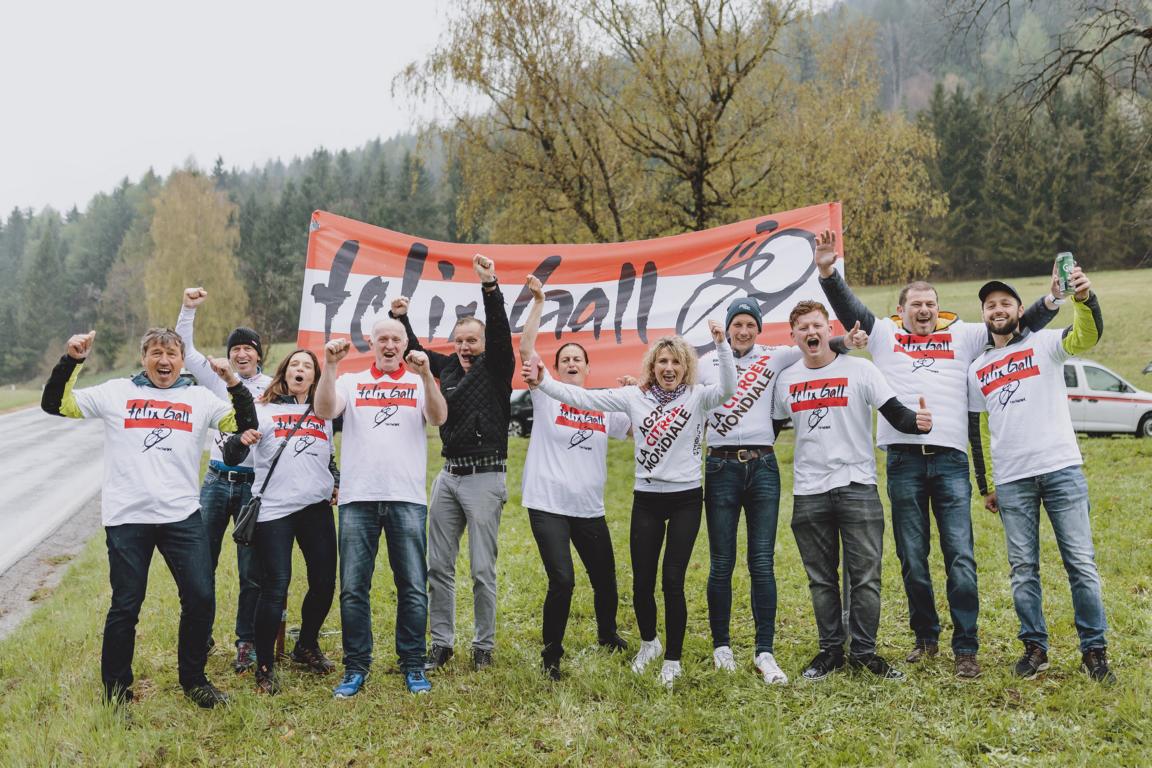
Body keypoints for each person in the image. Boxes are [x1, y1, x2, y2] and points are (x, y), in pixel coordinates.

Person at [813, 231, 1060, 679]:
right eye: (915, 305)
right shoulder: (884, 334)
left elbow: (1015, 325)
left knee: (960, 556)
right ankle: (925, 638)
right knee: (912, 557)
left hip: (949, 462)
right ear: (901, 310)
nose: (924, 310)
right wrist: (829, 273)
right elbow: (850, 312)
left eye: (930, 303)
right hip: (903, 461)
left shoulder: (964, 336)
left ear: (938, 307)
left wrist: (1051, 300)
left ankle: (965, 647)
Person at [41, 328, 257, 708]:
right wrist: (72, 360)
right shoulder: (116, 392)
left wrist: (232, 382)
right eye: (156, 353)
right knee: (127, 603)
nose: (164, 361)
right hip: (128, 516)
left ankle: (193, 680)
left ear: (181, 359)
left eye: (172, 354)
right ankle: (116, 691)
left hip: (181, 515)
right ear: (144, 357)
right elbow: (56, 404)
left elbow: (242, 423)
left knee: (201, 597)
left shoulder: (199, 397)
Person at [525, 320, 737, 688]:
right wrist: (544, 381)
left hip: (686, 497)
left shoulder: (698, 396)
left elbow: (729, 388)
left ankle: (673, 659)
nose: (669, 369)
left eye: (676, 362)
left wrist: (722, 346)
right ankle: (649, 644)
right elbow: (583, 399)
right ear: (652, 367)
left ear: (686, 367)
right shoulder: (633, 397)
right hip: (647, 498)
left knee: (672, 580)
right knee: (641, 582)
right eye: (662, 363)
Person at [697, 297, 865, 686]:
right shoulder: (706, 362)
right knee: (722, 562)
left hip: (763, 466)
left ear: (759, 329)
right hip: (720, 465)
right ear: (728, 326)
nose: (742, 331)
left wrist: (848, 341)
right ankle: (721, 646)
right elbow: (674, 386)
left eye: (750, 325)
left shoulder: (774, 358)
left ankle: (764, 649)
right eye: (737, 324)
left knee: (762, 561)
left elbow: (821, 344)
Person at [967, 266, 1114, 682]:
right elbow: (975, 428)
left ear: (1019, 310)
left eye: (1006, 303)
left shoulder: (1046, 343)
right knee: (1022, 569)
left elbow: (1087, 336)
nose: (998, 309)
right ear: (984, 314)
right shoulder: (977, 367)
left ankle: (1094, 650)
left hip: (1061, 469)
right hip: (1013, 481)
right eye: (990, 305)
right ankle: (1035, 647)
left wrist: (1084, 299)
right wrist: (986, 484)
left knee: (1081, 564)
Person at [773, 300, 932, 682]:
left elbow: (895, 412)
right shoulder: (786, 380)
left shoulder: (860, 370)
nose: (811, 333)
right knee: (821, 578)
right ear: (793, 336)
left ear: (829, 330)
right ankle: (830, 651)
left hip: (858, 486)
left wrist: (918, 422)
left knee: (865, 577)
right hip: (809, 491)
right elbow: (770, 430)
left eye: (817, 326)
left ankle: (864, 652)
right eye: (803, 328)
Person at [392, 254, 515, 673]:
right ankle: (441, 643)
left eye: (472, 341)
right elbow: (414, 352)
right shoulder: (445, 367)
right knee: (438, 566)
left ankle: (483, 646)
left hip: (485, 477)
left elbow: (499, 331)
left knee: (482, 569)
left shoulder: (499, 366)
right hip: (448, 477)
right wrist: (401, 318)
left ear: (482, 344)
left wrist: (490, 286)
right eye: (459, 341)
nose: (465, 347)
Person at [315, 317, 448, 697]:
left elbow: (438, 417)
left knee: (412, 587)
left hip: (406, 497)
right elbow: (325, 410)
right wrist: (330, 364)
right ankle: (356, 666)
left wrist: (425, 377)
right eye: (382, 339)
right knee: (354, 588)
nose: (389, 345)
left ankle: (412, 664)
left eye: (396, 339)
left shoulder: (416, 380)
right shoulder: (351, 381)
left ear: (404, 344)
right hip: (359, 498)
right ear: (372, 344)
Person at [518, 276, 633, 680]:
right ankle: (552, 654)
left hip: (589, 508)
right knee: (562, 580)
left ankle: (606, 635)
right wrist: (539, 303)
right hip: (548, 503)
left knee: (606, 580)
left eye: (577, 359)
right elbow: (527, 349)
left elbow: (638, 428)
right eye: (564, 357)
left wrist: (637, 395)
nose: (570, 362)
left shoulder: (602, 404)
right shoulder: (545, 392)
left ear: (587, 368)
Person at [221, 349, 340, 695]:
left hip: (315, 508)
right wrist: (241, 440)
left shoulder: (324, 411)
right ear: (284, 373)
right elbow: (233, 452)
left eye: (307, 366)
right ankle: (264, 667)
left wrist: (335, 478)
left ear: (315, 377)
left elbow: (327, 455)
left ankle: (306, 645)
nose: (300, 370)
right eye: (294, 365)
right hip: (274, 509)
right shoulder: (262, 409)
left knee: (324, 582)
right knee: (275, 586)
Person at [176, 287, 272, 674]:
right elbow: (184, 346)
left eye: (248, 348)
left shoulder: (271, 388)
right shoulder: (215, 380)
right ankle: (200, 634)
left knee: (252, 570)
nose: (241, 353)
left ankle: (246, 641)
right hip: (216, 480)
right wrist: (188, 309)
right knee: (203, 563)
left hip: (253, 485)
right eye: (236, 348)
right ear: (229, 354)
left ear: (258, 355)